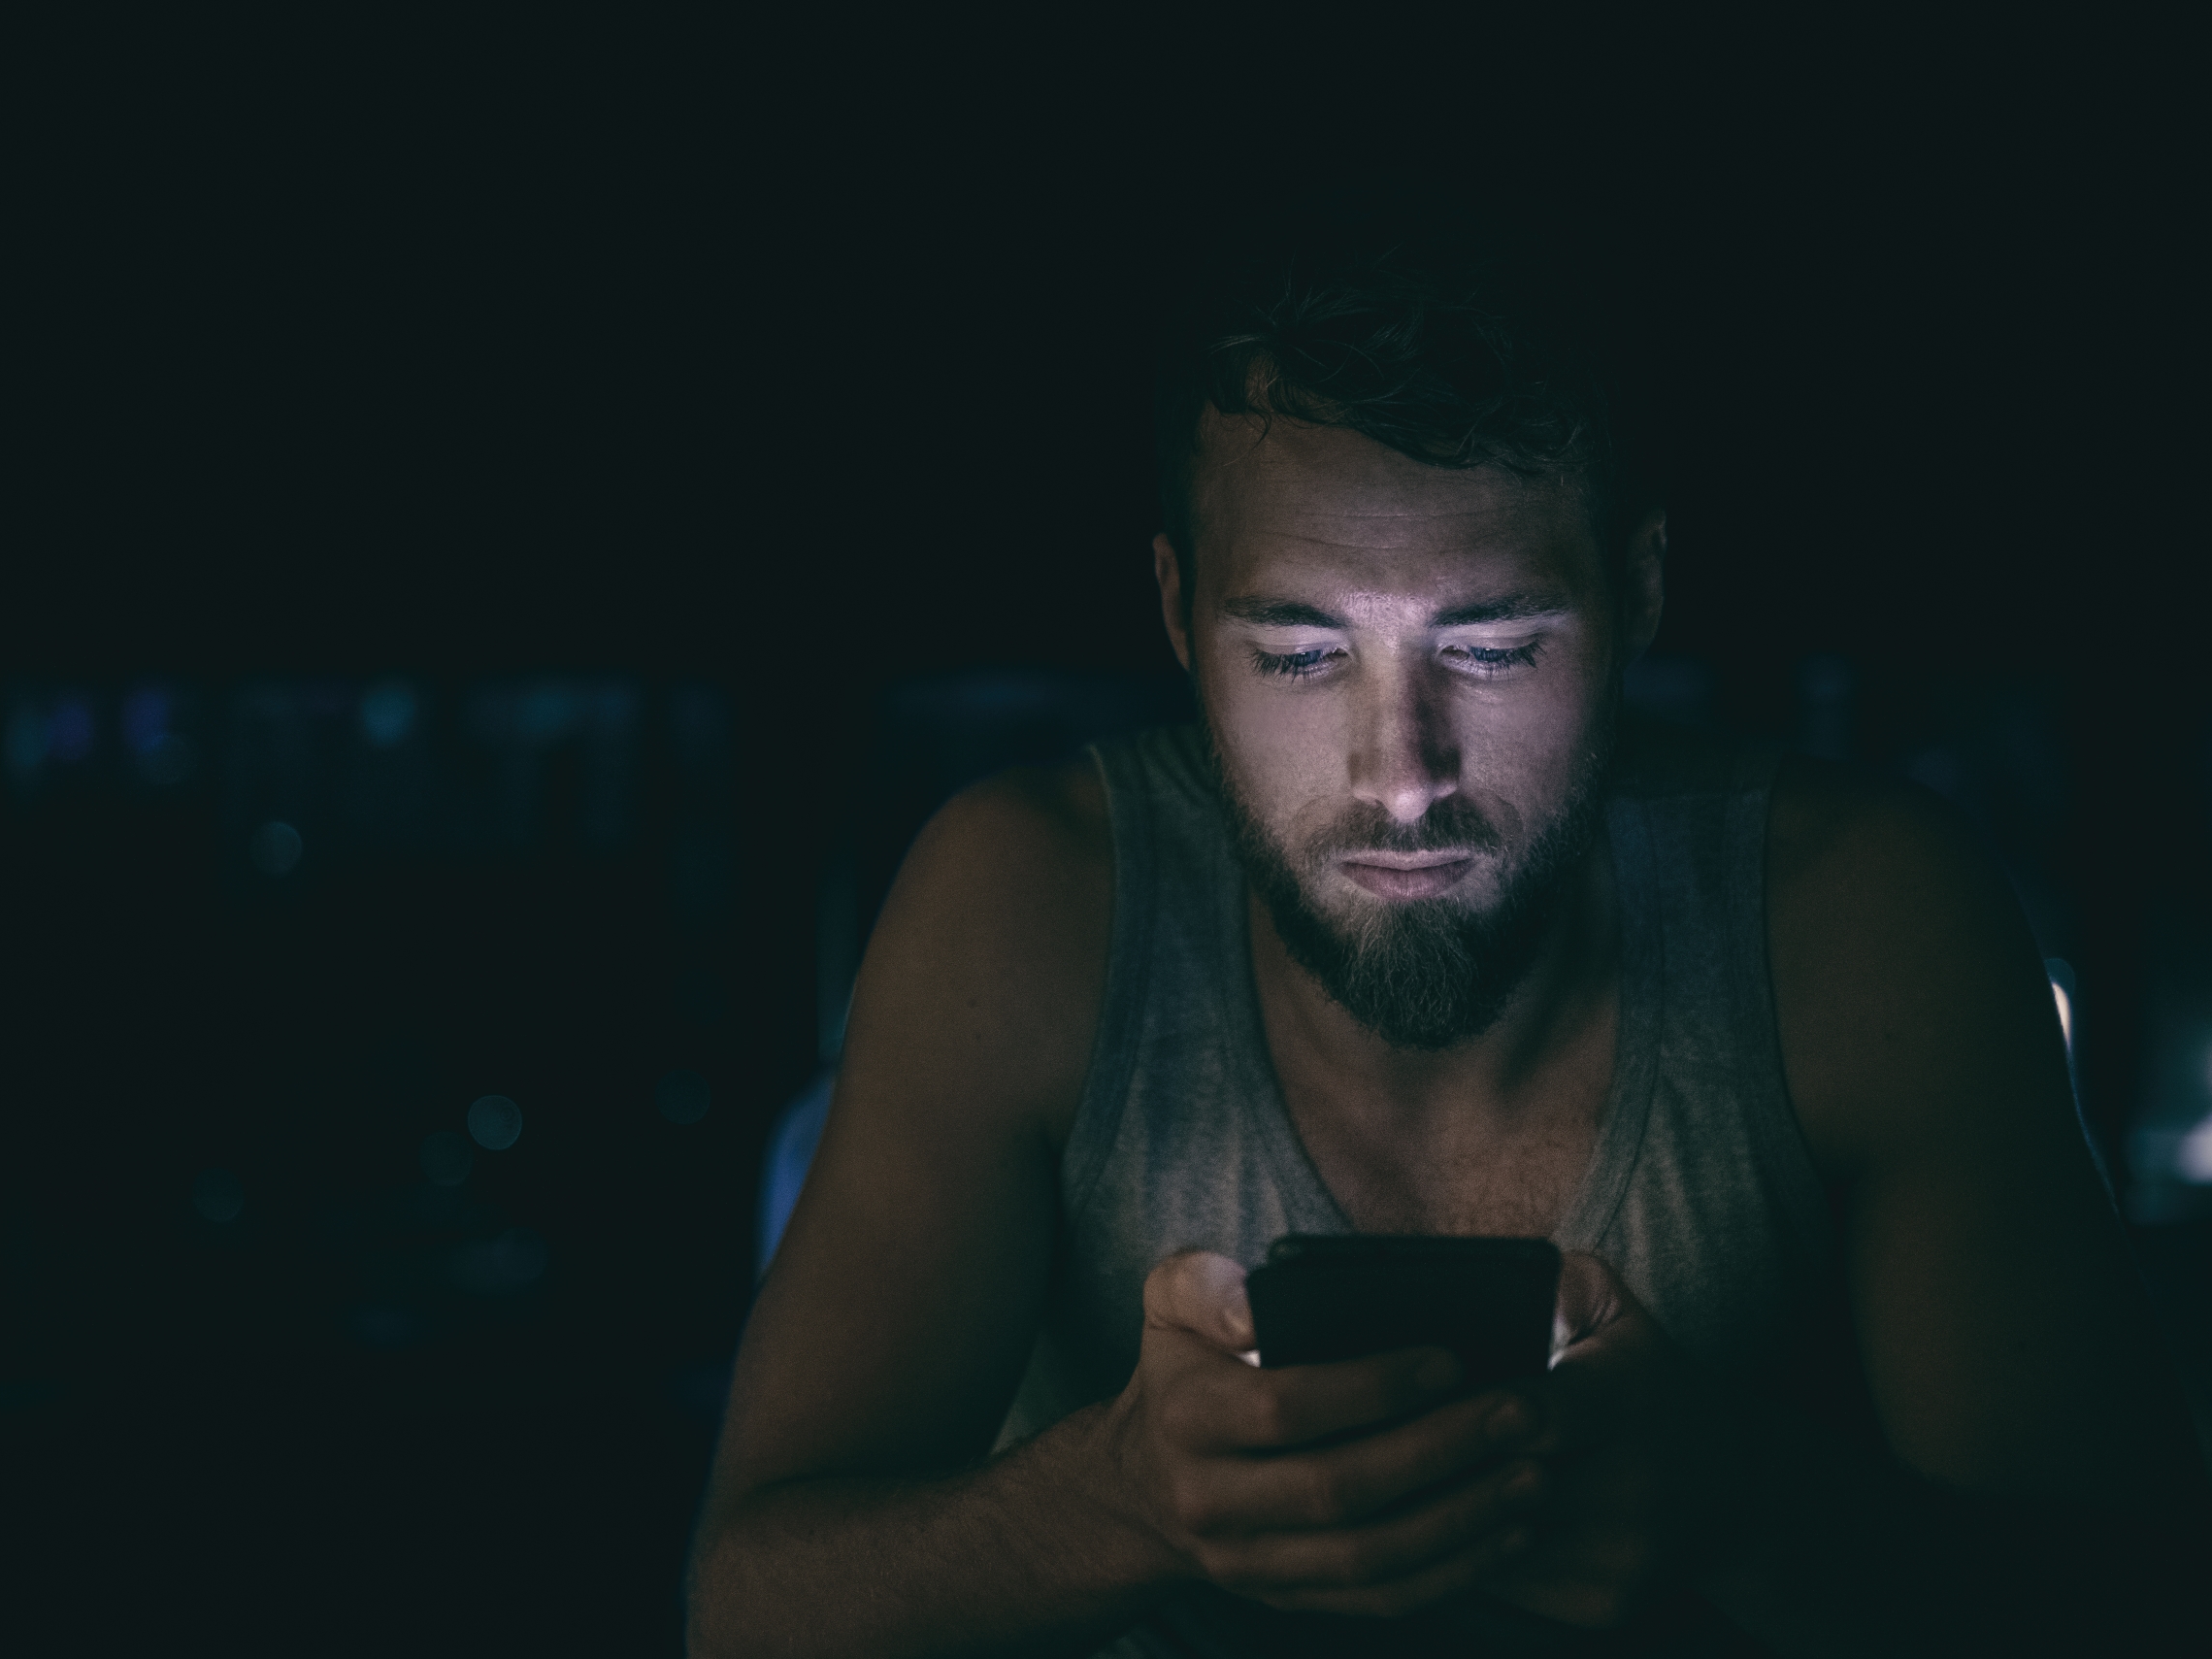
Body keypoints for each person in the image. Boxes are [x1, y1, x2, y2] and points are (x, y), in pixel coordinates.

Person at [684, 229, 2203, 1656]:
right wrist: (1120, 1496)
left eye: (1490, 647)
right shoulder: (1024, 906)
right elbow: (743, 1613)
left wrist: (1743, 1508)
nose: (1402, 771)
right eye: (1298, 651)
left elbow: (2136, 1611)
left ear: (1639, 592)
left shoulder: (1865, 923)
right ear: (1174, 612)